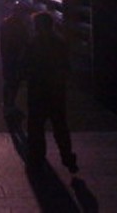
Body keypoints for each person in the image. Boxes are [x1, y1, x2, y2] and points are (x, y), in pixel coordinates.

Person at [24, 11, 78, 174]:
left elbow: (26, 66)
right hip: (56, 92)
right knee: (60, 126)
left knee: (36, 127)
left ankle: (37, 158)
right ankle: (67, 157)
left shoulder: (32, 44)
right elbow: (66, 67)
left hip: (37, 92)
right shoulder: (60, 43)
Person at [0, 2, 30, 119]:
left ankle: (8, 105)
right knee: (13, 82)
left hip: (8, 57)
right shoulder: (18, 25)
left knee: (10, 81)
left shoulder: (5, 23)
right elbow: (24, 41)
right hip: (15, 57)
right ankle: (9, 106)